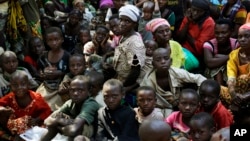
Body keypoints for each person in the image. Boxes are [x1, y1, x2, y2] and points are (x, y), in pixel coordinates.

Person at [140, 48, 206, 117]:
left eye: (166, 58)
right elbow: (147, 101)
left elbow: (200, 78)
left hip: (182, 105)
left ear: (171, 61)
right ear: (153, 64)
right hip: (160, 108)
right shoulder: (148, 81)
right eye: (158, 60)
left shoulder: (177, 72)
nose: (163, 62)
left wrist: (197, 96)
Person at [40, 75, 100, 141]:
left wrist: (58, 124)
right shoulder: (70, 103)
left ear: (88, 91)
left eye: (80, 90)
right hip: (76, 129)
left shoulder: (90, 104)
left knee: (77, 134)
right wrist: (59, 121)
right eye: (72, 90)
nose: (76, 93)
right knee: (55, 123)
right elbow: (46, 121)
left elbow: (73, 130)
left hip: (95, 137)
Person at [0, 71, 51, 140]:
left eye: (23, 84)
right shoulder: (10, 97)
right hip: (15, 127)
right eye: (15, 85)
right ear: (10, 86)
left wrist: (37, 119)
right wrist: (3, 109)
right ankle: (11, 136)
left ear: (28, 85)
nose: (19, 88)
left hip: (33, 126)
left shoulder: (36, 98)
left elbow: (47, 111)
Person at [113, 4, 146, 106]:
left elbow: (135, 70)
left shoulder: (134, 42)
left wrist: (123, 87)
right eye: (121, 19)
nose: (122, 23)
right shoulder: (124, 36)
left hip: (129, 84)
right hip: (121, 79)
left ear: (134, 24)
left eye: (127, 21)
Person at [36, 26, 70, 111]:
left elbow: (72, 72)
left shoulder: (67, 56)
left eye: (56, 39)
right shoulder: (44, 56)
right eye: (50, 40)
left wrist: (60, 73)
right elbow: (40, 71)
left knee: (54, 108)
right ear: (46, 42)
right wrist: (43, 74)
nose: (54, 42)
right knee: (37, 103)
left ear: (62, 39)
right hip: (46, 87)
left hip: (60, 89)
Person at [177, 0, 215, 71]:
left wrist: (186, 34)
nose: (195, 13)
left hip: (197, 56)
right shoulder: (188, 17)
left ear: (204, 12)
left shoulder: (209, 23)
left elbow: (199, 48)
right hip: (183, 50)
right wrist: (188, 22)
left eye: (199, 11)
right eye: (193, 10)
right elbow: (180, 39)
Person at [203, 18, 238, 86]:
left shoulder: (236, 43)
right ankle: (220, 91)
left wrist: (217, 57)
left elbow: (239, 58)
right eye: (217, 33)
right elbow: (209, 63)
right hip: (212, 76)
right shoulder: (209, 44)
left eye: (223, 32)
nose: (220, 36)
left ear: (231, 31)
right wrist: (231, 56)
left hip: (232, 72)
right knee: (217, 67)